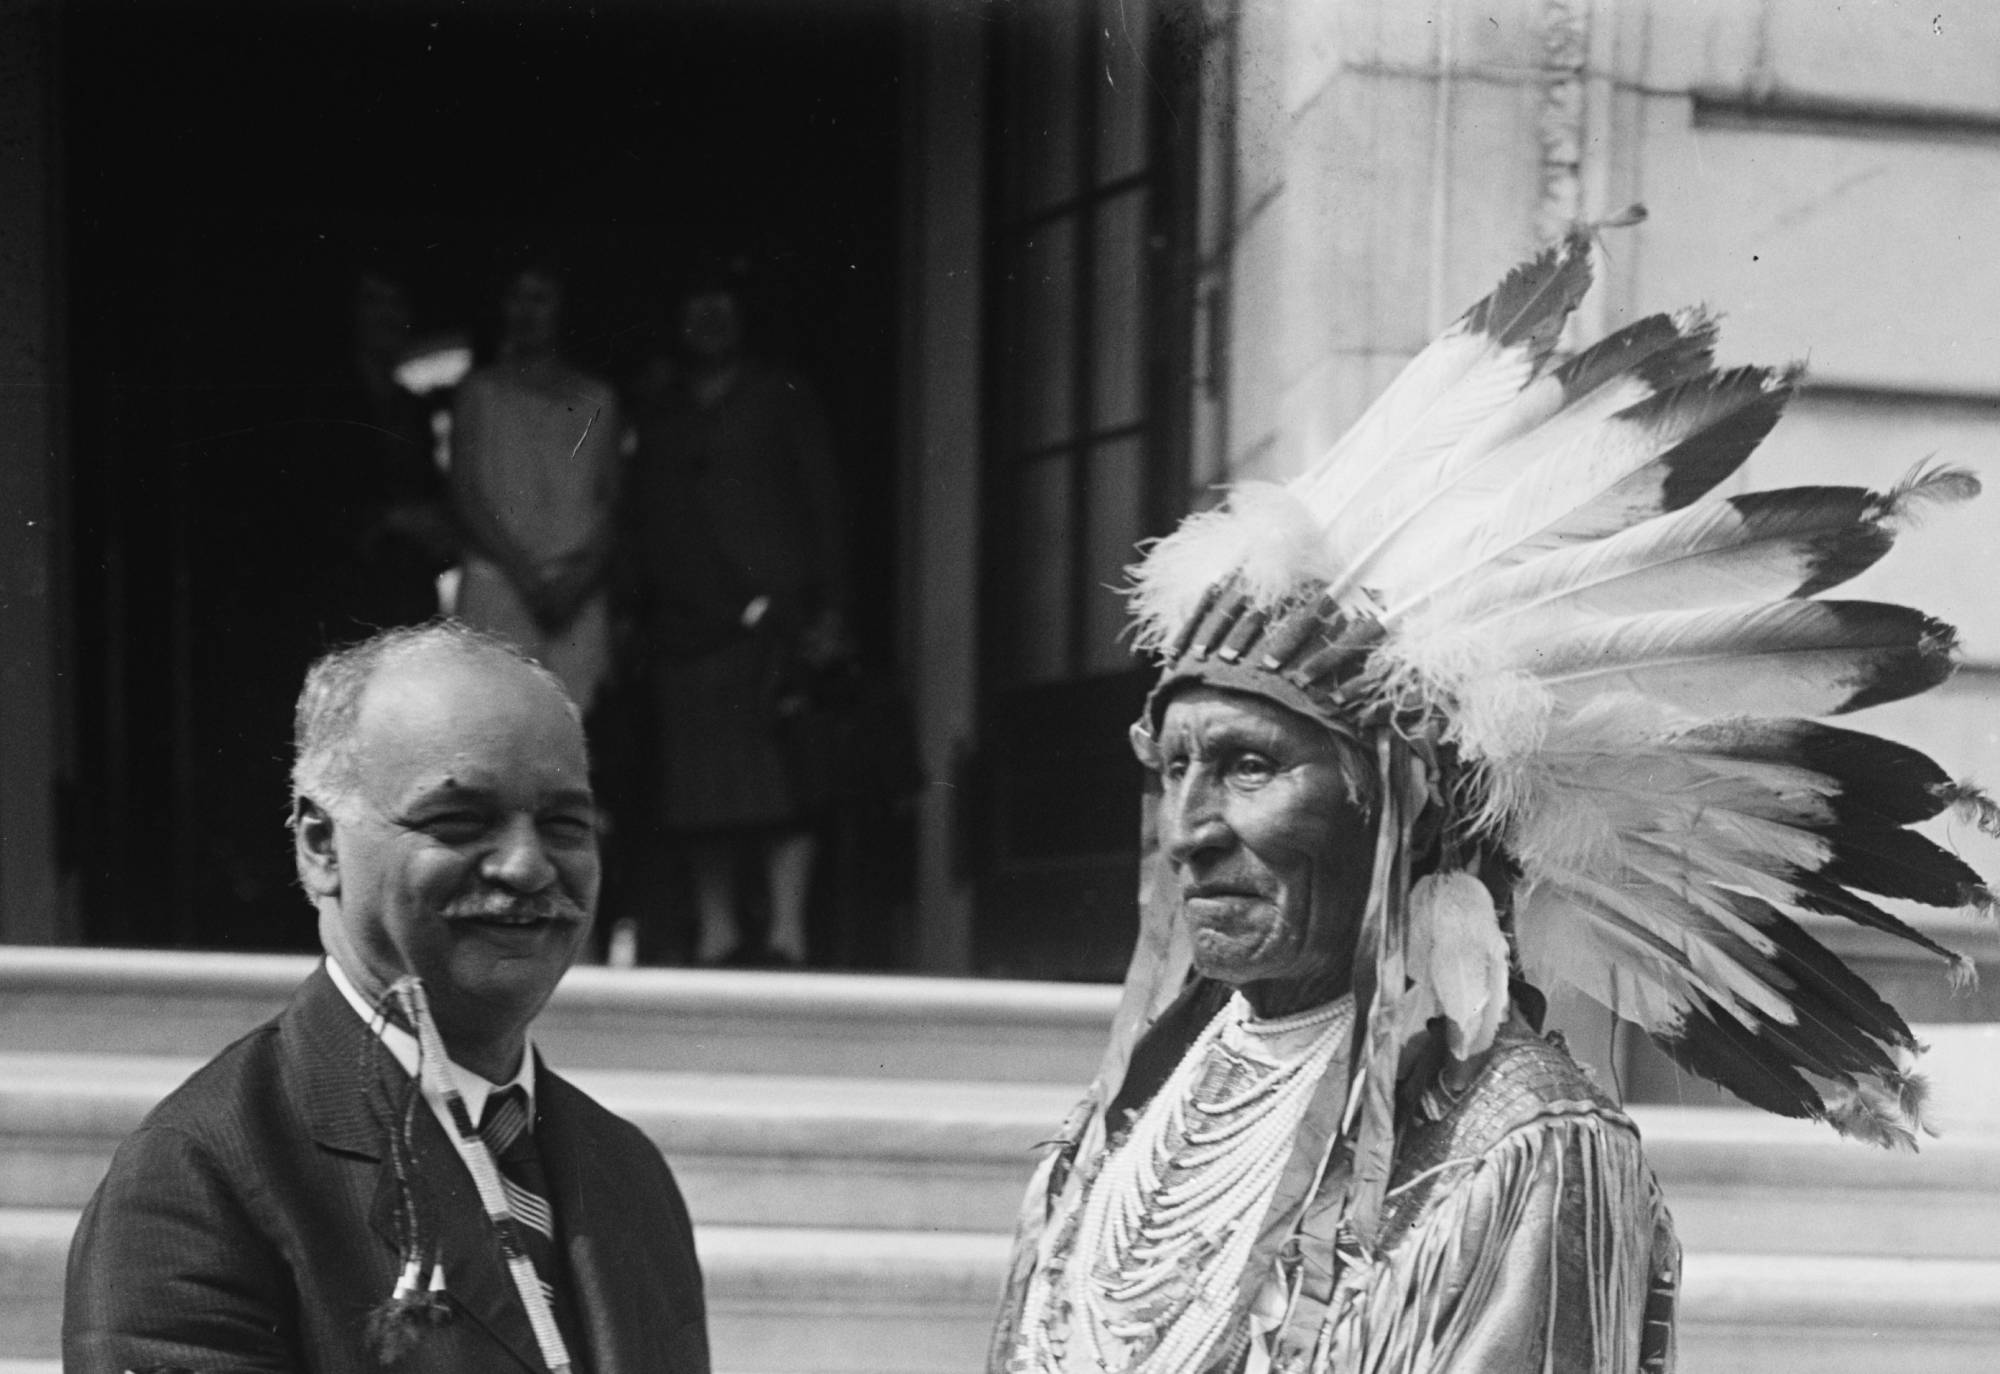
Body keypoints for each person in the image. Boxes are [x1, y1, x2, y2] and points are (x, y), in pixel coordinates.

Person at [991, 227, 1991, 1372]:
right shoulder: (1145, 1095)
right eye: (1171, 770)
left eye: (1251, 767)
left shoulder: (1529, 1149)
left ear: (1398, 807)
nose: (1189, 830)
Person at [64, 621, 710, 1373]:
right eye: (460, 821)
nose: (529, 866)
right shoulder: (202, 1176)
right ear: (320, 845)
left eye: (565, 824)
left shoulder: (626, 1171)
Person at [627, 268, 849, 966]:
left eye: (722, 302)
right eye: (695, 302)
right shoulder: (659, 414)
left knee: (788, 781)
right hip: (690, 623)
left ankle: (788, 935)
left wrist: (830, 610)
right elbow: (641, 521)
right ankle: (717, 935)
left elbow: (825, 505)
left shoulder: (780, 397)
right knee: (702, 791)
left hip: (777, 622)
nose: (709, 316)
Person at [452, 259, 623, 715]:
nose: (527, 312)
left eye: (540, 298)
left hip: (575, 600)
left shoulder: (597, 398)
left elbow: (614, 505)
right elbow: (466, 493)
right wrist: (528, 581)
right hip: (500, 592)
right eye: (516, 298)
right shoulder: (478, 392)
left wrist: (576, 583)